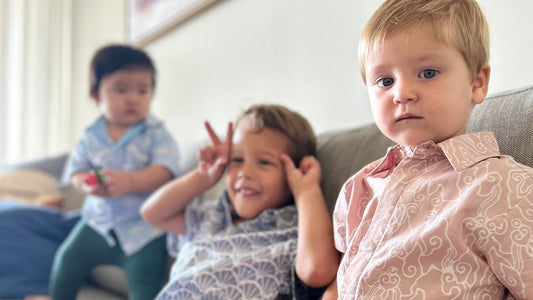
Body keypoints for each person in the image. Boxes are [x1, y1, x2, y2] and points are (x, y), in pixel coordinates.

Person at [330, 0, 533, 299]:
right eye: (385, 81)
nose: (401, 93)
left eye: (427, 73)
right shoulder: (359, 187)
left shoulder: (503, 186)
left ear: (477, 83)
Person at [28, 44, 181, 300]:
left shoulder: (157, 133)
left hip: (144, 229)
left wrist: (132, 181)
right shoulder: (90, 136)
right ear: (96, 95)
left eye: (143, 90)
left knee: (146, 282)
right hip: (97, 223)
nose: (133, 98)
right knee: (66, 260)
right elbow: (77, 172)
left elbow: (165, 170)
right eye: (121, 90)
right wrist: (88, 185)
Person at [141, 104, 339, 299]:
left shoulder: (297, 231)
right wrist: (203, 177)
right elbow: (152, 213)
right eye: (236, 160)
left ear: (294, 171)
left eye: (264, 162)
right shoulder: (211, 217)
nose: (245, 173)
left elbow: (318, 271)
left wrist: (307, 191)